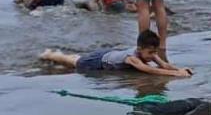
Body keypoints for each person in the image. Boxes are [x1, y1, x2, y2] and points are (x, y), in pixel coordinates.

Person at [39, 30, 192, 77]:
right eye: (150, 52)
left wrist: (179, 69)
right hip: (99, 61)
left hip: (110, 54)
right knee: (73, 63)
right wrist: (175, 75)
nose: (153, 56)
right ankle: (50, 55)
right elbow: (149, 69)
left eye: (154, 52)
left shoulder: (150, 52)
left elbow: (164, 65)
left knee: (77, 59)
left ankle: (58, 54)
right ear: (139, 49)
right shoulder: (133, 58)